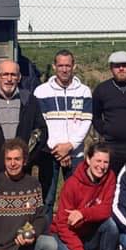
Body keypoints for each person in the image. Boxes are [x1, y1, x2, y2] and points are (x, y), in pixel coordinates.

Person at [0, 59, 48, 189]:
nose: (9, 79)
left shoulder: (30, 101)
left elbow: (42, 132)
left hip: (22, 173)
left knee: (22, 209)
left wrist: (27, 160)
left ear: (19, 77)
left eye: (13, 75)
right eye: (5, 74)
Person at [50, 142, 117, 250]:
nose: (102, 166)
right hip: (65, 233)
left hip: (87, 230)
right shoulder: (72, 184)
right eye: (98, 161)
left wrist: (82, 213)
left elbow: (106, 209)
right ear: (88, 159)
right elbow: (62, 224)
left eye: (106, 162)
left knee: (110, 225)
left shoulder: (110, 177)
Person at [34, 49, 93, 214]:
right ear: (54, 67)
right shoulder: (41, 91)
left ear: (74, 66)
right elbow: (40, 124)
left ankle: (70, 235)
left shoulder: (84, 91)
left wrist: (70, 146)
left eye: (68, 65)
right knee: (47, 199)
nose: (64, 69)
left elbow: (86, 121)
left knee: (75, 199)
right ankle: (46, 236)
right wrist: (59, 150)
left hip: (75, 154)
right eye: (61, 65)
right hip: (49, 152)